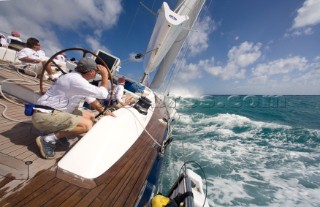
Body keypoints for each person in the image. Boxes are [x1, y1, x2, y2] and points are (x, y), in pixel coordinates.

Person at [32, 57, 116, 159]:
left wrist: (104, 112)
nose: (96, 74)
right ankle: (48, 139)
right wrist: (105, 75)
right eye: (96, 72)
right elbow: (103, 94)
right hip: (44, 117)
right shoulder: (77, 80)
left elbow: (91, 100)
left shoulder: (75, 79)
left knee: (90, 116)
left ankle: (58, 132)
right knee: (87, 125)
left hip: (50, 112)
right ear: (90, 71)